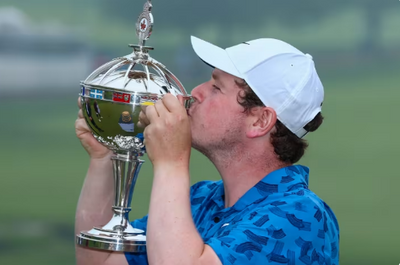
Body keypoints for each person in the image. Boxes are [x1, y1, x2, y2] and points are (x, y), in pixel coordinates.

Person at [75, 36, 339, 265]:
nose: (195, 93)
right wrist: (104, 158)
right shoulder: (200, 200)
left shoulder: (300, 216)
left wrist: (172, 162)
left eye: (216, 87)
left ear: (260, 121)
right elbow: (100, 260)